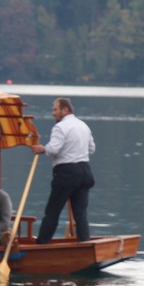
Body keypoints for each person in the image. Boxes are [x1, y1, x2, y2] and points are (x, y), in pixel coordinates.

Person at [32, 97, 96, 243]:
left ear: (65, 110)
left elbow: (54, 149)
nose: (53, 113)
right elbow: (92, 149)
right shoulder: (83, 125)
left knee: (52, 212)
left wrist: (42, 149)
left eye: (55, 109)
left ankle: (41, 244)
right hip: (85, 172)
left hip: (66, 173)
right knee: (80, 213)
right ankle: (84, 243)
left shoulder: (60, 127)